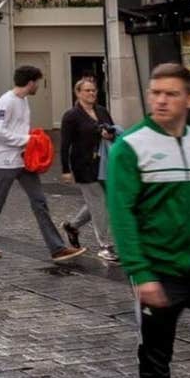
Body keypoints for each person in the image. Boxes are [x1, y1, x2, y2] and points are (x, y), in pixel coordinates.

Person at [107, 63, 190, 378]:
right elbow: (121, 214)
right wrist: (141, 274)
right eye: (155, 92)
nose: (160, 100)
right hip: (158, 272)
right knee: (156, 358)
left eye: (171, 93)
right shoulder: (130, 147)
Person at [0, 65, 84, 262]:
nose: (38, 87)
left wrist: (29, 141)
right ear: (31, 82)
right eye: (38, 83)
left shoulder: (23, 101)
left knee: (39, 201)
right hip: (4, 161)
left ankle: (57, 248)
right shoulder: (6, 102)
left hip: (23, 160)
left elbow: (16, 128)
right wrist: (27, 140)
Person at [58, 78, 119, 262]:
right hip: (84, 165)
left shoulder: (102, 111)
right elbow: (65, 144)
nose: (91, 93)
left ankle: (73, 226)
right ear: (78, 93)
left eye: (93, 90)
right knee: (99, 203)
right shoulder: (71, 116)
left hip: (105, 163)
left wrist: (110, 133)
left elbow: (113, 130)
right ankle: (105, 245)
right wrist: (66, 169)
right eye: (87, 90)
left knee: (100, 201)